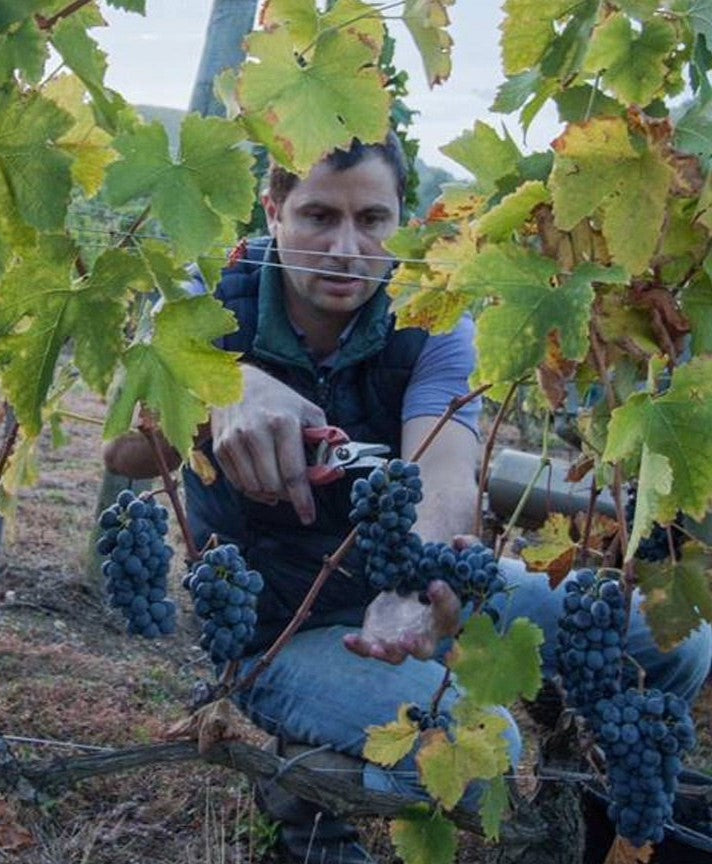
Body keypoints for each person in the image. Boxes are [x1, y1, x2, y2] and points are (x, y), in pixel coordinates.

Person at [104, 134, 712, 864]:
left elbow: (447, 472)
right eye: (319, 216)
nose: (347, 248)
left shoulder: (431, 321)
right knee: (471, 742)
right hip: (277, 629)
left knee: (671, 640)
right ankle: (301, 809)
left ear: (403, 221)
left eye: (373, 219)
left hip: (404, 592)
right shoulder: (206, 305)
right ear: (273, 211)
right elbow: (121, 450)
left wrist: (410, 591)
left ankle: (603, 825)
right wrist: (220, 391)